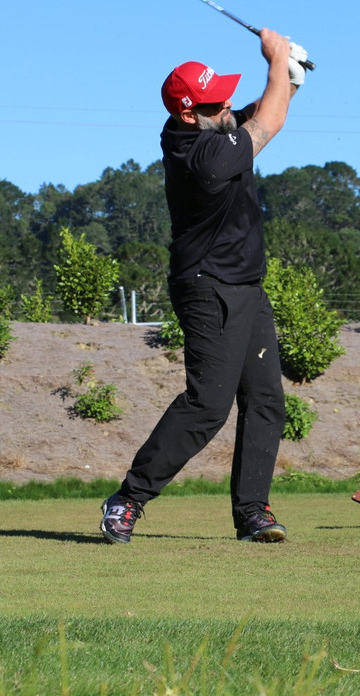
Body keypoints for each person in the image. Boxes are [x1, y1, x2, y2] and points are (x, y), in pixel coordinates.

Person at [100, 29, 309, 544]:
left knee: (265, 401)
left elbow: (258, 109)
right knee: (208, 404)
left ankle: (253, 513)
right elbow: (269, 121)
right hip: (208, 287)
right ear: (189, 115)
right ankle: (127, 499)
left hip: (246, 287)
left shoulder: (210, 126)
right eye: (217, 102)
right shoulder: (205, 157)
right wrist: (277, 59)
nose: (228, 106)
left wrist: (292, 76)